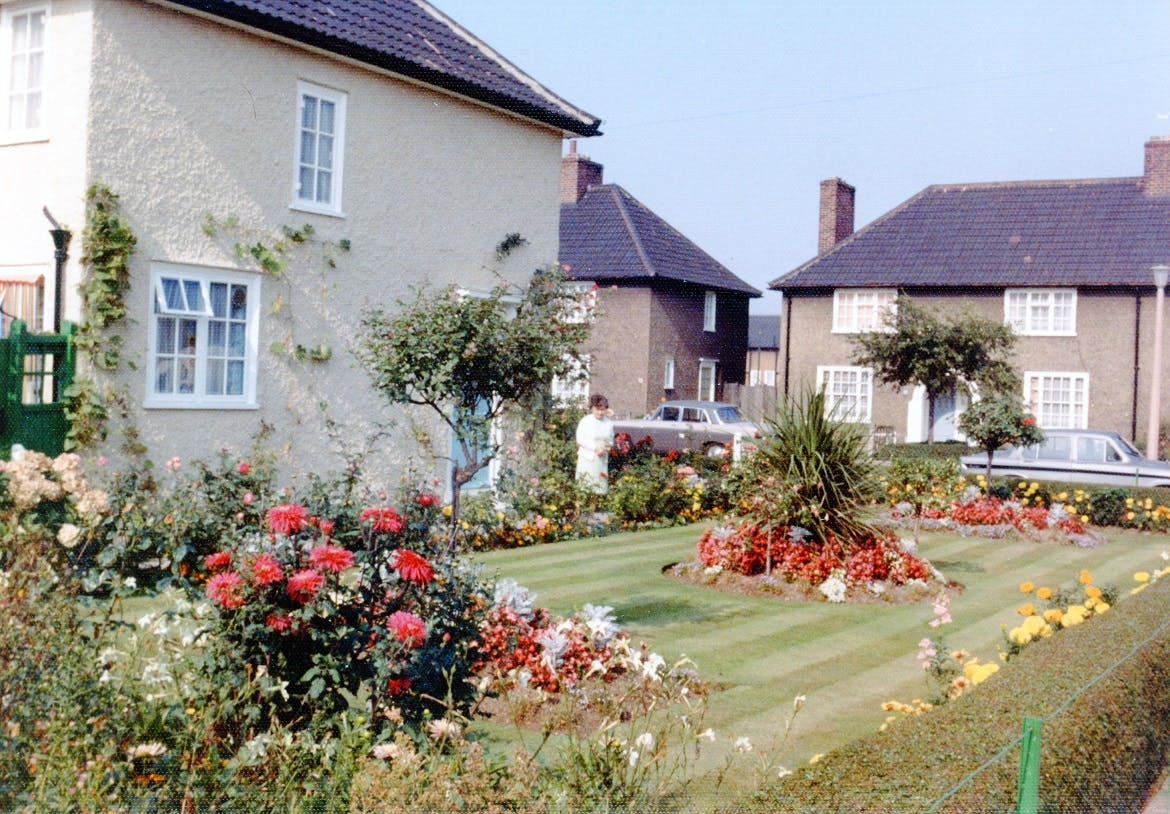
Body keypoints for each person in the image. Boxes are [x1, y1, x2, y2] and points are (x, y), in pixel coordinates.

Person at [576, 394, 614, 494]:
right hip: (587, 458)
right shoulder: (585, 421)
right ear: (592, 408)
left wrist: (607, 448)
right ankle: (579, 509)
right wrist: (595, 448)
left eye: (603, 409)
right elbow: (580, 439)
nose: (600, 412)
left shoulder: (608, 423)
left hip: (601, 459)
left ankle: (592, 509)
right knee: (584, 486)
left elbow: (610, 439)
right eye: (598, 409)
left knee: (598, 487)